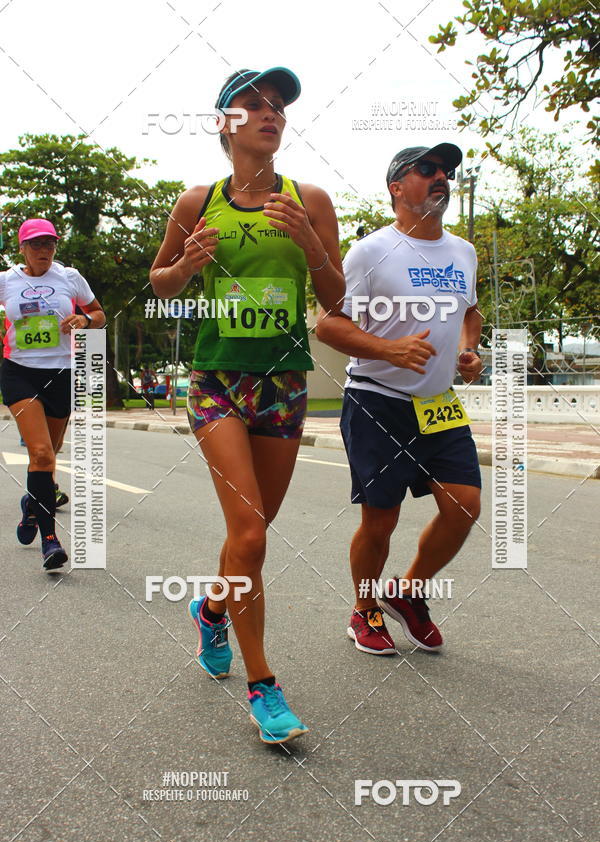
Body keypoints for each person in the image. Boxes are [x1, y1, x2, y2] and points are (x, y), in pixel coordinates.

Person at [150, 68, 344, 743]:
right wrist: (184, 266)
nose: (271, 113)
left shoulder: (309, 199)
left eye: (279, 105)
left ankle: (209, 610)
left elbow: (337, 297)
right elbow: (163, 283)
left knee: (246, 540)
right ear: (224, 124)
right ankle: (264, 688)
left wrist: (313, 244)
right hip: (217, 381)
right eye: (253, 104)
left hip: (284, 383)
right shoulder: (197, 201)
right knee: (253, 535)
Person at [316, 144, 483, 655]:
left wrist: (468, 349)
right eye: (427, 170)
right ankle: (364, 607)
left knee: (465, 506)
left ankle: (407, 592)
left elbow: (470, 312)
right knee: (381, 518)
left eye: (446, 172)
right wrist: (389, 348)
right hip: (377, 400)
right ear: (396, 187)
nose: (441, 178)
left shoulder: (463, 252)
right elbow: (329, 324)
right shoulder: (372, 251)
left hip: (438, 404)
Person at [0, 218, 105, 569]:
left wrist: (85, 322)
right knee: (42, 454)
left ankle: (33, 503)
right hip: (20, 374)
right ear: (22, 249)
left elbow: (99, 314)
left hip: (61, 373)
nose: (44, 250)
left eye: (49, 244)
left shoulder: (69, 277)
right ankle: (51, 539)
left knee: (51, 452)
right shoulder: (6, 281)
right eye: (36, 244)